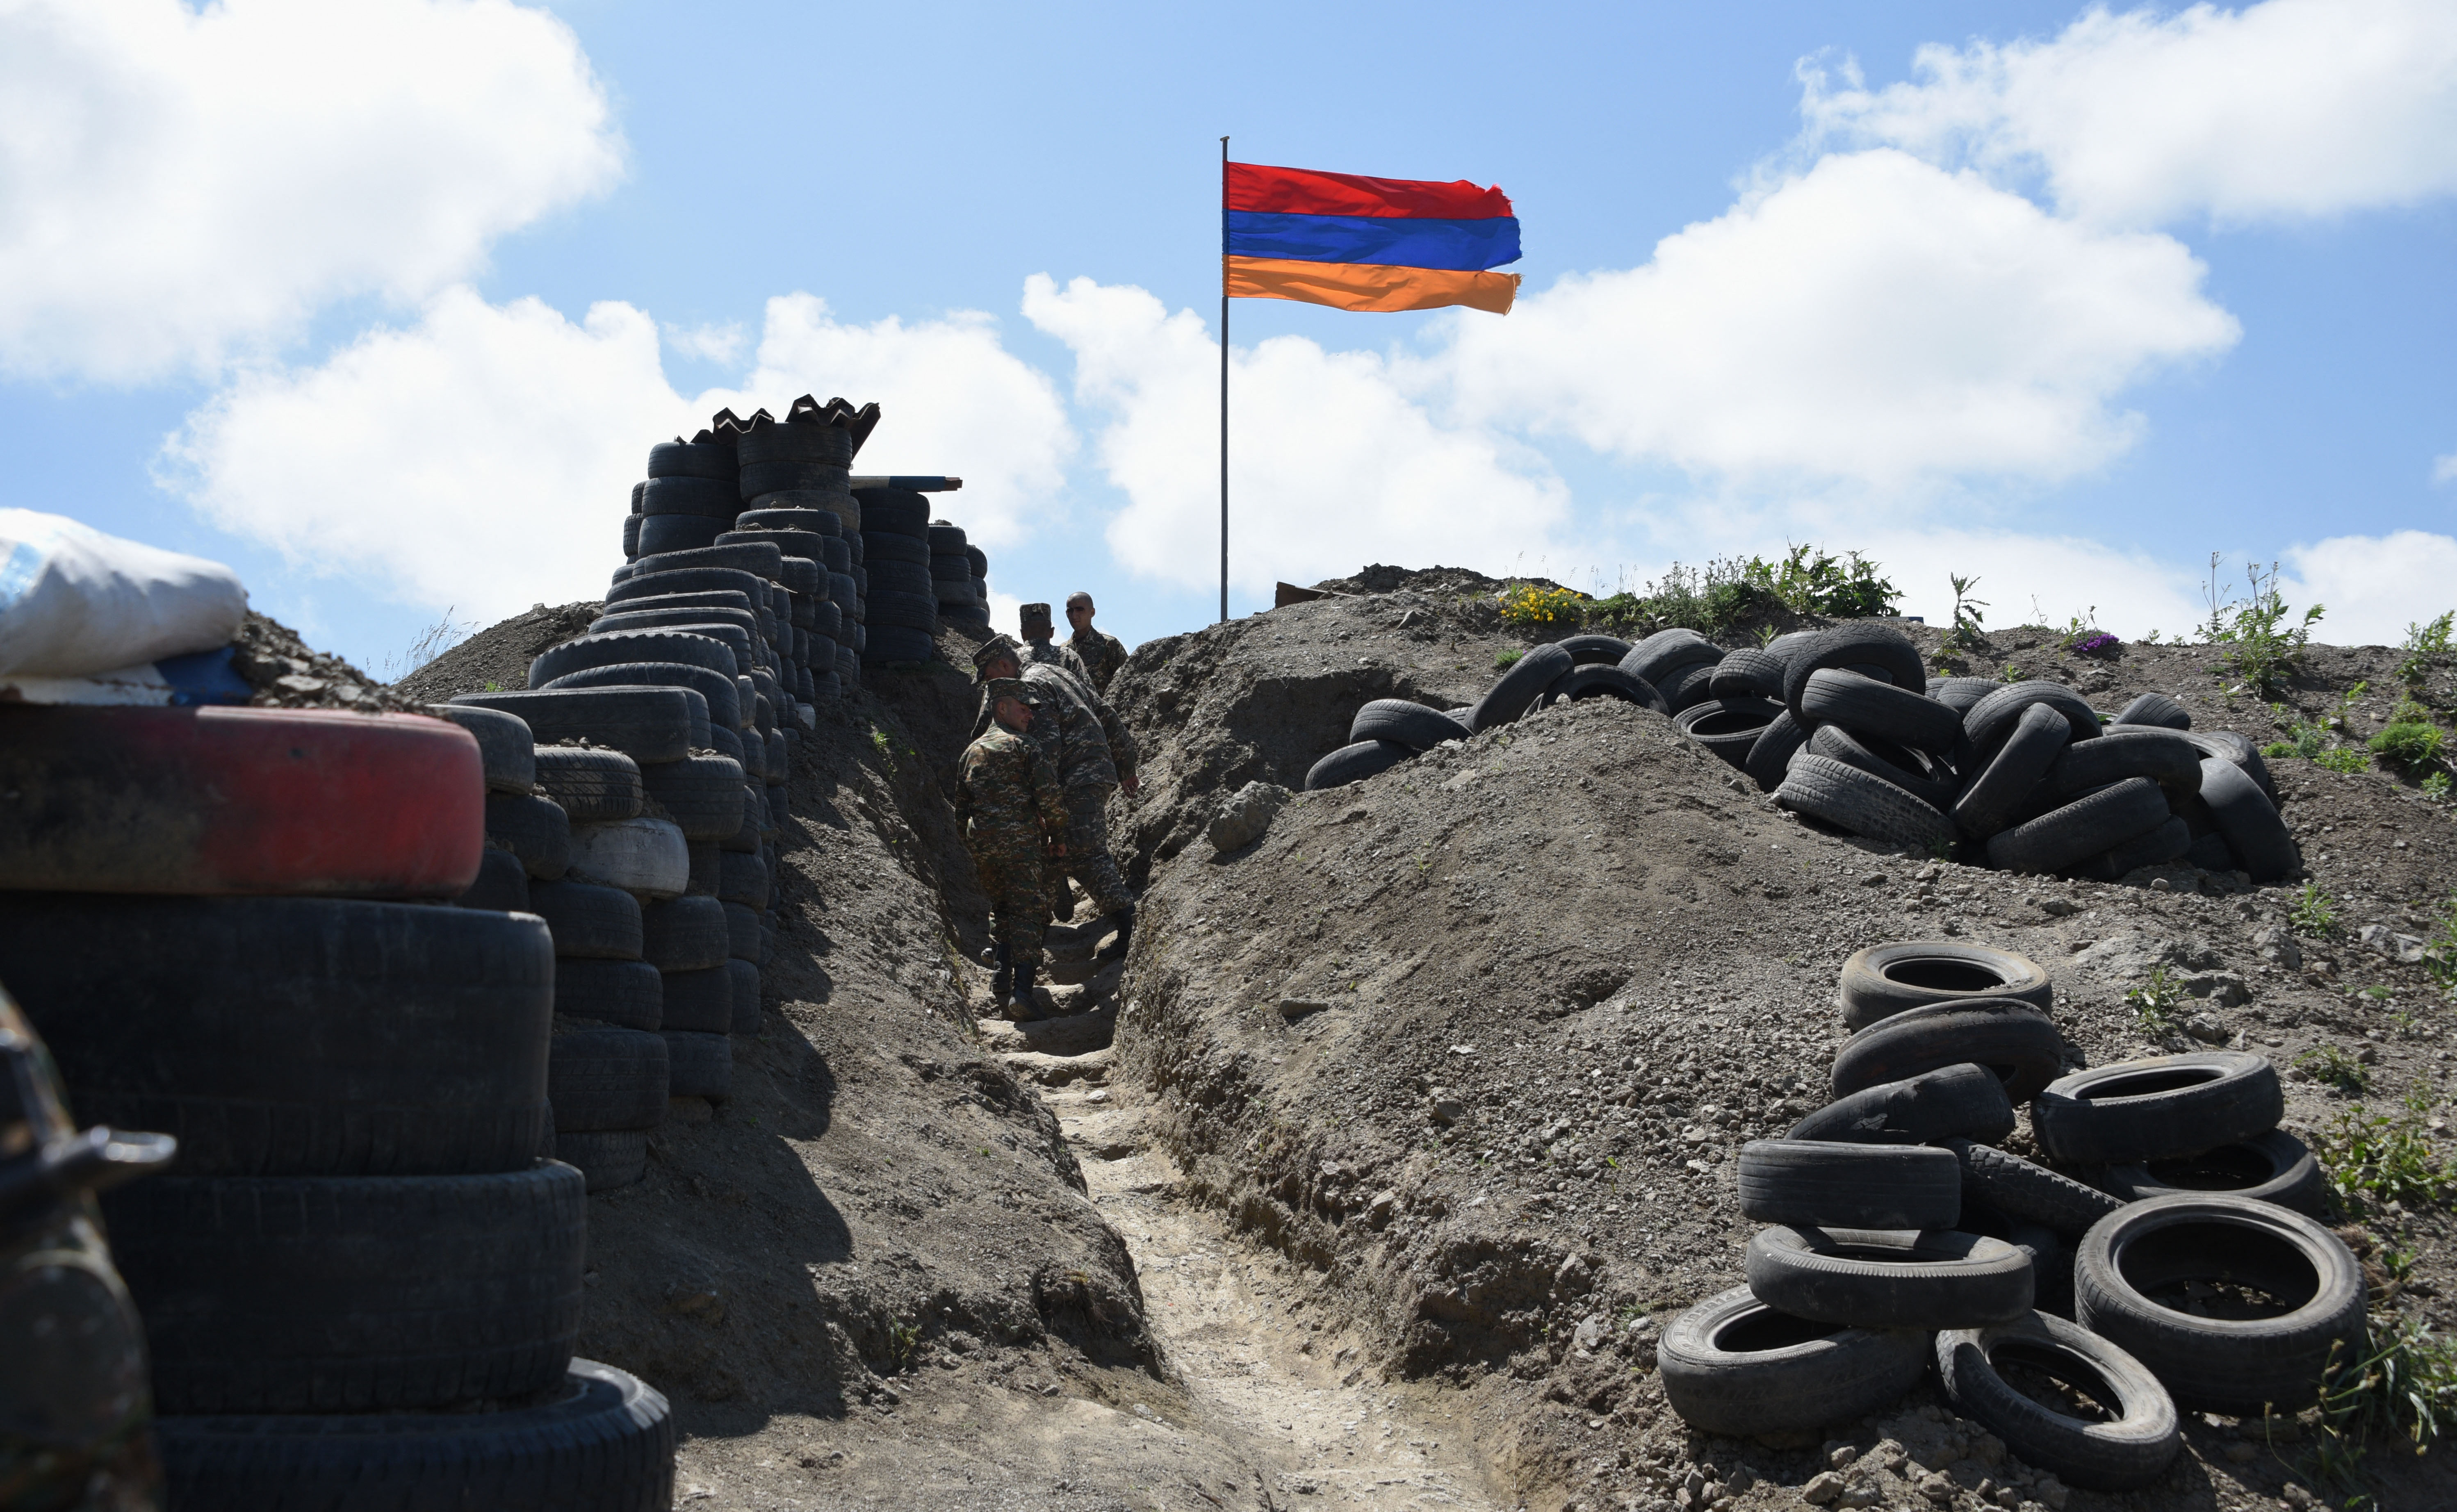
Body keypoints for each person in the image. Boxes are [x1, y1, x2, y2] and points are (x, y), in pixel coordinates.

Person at [969, 635, 1140, 960]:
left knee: (1086, 854)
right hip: (1093, 772)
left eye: (991, 677)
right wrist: (1125, 766)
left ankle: (1130, 927)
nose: (992, 686)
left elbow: (1047, 749)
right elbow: (1106, 713)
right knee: (1047, 858)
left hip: (1076, 779)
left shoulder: (1030, 686)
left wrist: (1038, 800)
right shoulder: (1057, 672)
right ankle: (1020, 938)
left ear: (1005, 665)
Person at [955, 677, 1067, 1017]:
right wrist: (1059, 838)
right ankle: (1023, 994)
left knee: (1002, 906)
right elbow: (1051, 798)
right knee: (1029, 912)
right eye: (1024, 709)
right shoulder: (1025, 747)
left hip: (984, 848)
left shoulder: (969, 753)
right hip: (1022, 847)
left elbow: (961, 811)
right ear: (1002, 709)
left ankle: (1001, 979)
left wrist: (976, 846)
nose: (1030, 716)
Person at [1064, 591, 1128, 693]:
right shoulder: (1062, 651)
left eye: (1080, 610)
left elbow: (1127, 680)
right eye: (1070, 611)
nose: (1074, 615)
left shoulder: (1109, 645)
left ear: (1092, 613)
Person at [1017, 602, 1094, 683]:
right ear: (1052, 632)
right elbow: (1088, 691)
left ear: (1022, 634)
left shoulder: (1012, 659)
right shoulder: (1068, 656)